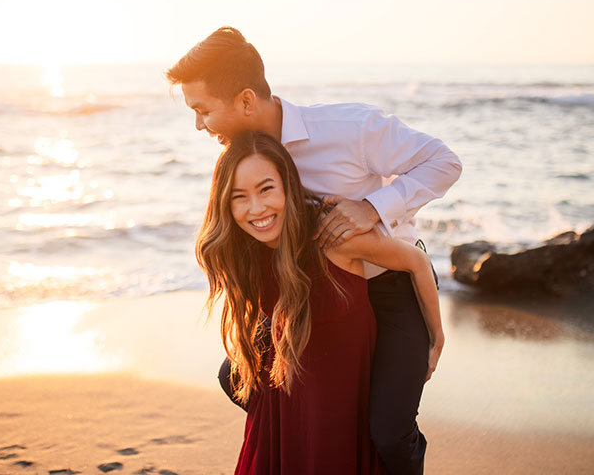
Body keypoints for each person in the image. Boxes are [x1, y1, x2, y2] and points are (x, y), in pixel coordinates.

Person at [169, 27, 462, 475]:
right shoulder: (245, 158)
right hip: (312, 293)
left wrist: (372, 207)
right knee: (236, 379)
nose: (199, 126)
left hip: (391, 285)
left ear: (246, 102)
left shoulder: (350, 128)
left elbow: (444, 162)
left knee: (388, 432)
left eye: (202, 111)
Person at [198, 130, 444, 474]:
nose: (257, 208)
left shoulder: (331, 235)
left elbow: (415, 262)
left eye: (266, 189)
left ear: (287, 184)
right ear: (224, 201)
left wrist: (436, 335)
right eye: (239, 196)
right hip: (297, 367)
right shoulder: (244, 249)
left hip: (345, 382)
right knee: (234, 378)